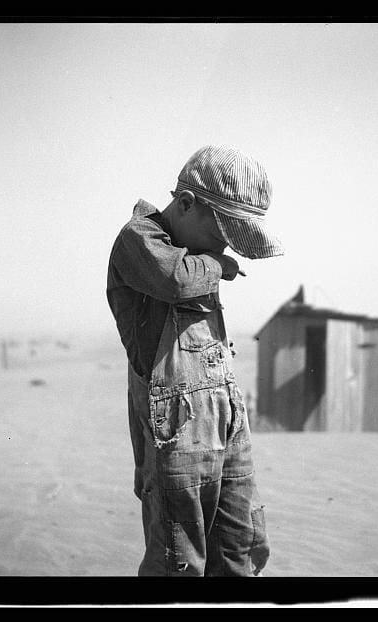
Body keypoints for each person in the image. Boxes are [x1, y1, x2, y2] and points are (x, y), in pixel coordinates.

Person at [106, 145, 284, 576]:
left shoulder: (189, 251)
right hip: (177, 426)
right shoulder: (140, 239)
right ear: (185, 204)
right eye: (223, 233)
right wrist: (219, 264)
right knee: (179, 556)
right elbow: (176, 279)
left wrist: (212, 258)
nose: (226, 248)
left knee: (241, 543)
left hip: (225, 415)